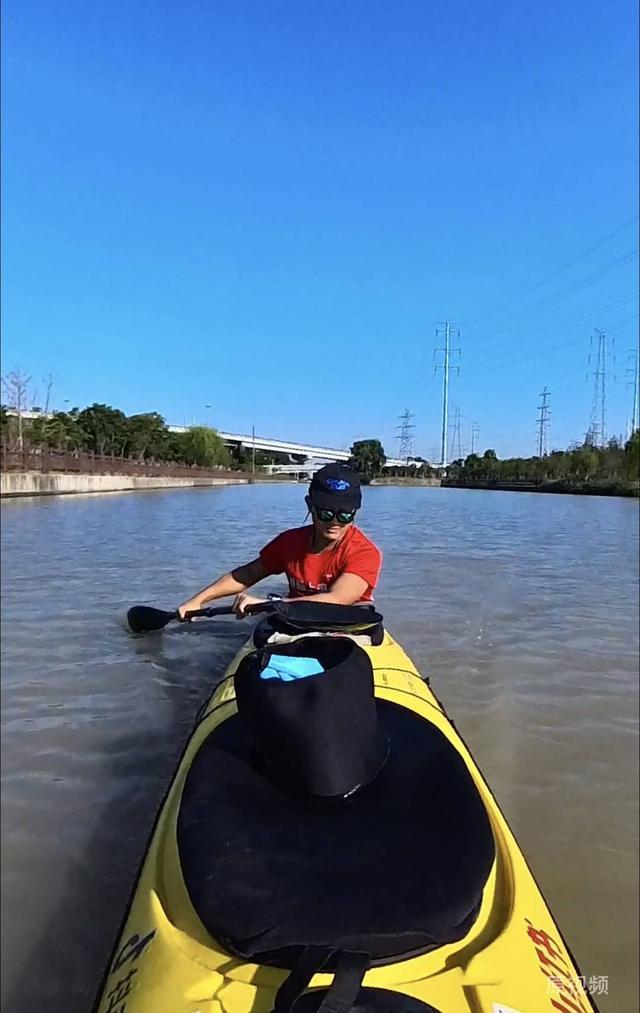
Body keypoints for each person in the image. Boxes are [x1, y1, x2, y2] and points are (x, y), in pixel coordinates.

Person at [177, 463, 382, 620]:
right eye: (326, 513)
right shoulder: (288, 542)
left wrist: (268, 604)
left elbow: (338, 599)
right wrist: (198, 601)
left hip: (348, 623)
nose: (335, 522)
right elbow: (246, 574)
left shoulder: (365, 552)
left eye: (345, 515)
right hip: (295, 619)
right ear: (310, 505)